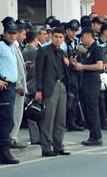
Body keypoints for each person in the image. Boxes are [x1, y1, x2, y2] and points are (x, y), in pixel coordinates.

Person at [35, 27, 70, 157]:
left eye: (61, 37)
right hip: (49, 87)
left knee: (61, 119)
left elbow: (66, 72)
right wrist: (39, 90)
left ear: (63, 38)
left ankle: (58, 146)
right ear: (51, 36)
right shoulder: (43, 51)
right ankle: (46, 147)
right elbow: (38, 72)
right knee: (47, 119)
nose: (58, 39)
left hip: (62, 87)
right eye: (56, 36)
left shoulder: (63, 52)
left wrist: (69, 63)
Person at [0, 22, 20, 164]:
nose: (12, 35)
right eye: (10, 33)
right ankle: (2, 153)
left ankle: (2, 153)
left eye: (14, 33)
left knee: (7, 121)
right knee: (5, 121)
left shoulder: (11, 46)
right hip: (3, 87)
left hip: (11, 87)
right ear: (4, 33)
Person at [73, 28, 104, 146]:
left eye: (82, 36)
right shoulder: (89, 50)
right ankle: (93, 135)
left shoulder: (96, 49)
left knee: (92, 109)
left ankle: (96, 136)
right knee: (88, 109)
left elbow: (99, 66)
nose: (81, 39)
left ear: (88, 35)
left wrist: (83, 67)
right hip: (86, 82)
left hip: (92, 82)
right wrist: (77, 65)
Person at [9, 24, 28, 149]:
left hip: (20, 83)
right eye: (23, 34)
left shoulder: (17, 46)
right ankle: (12, 138)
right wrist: (18, 85)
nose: (24, 36)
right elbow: (13, 67)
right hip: (17, 85)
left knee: (18, 112)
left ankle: (13, 137)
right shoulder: (12, 46)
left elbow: (19, 66)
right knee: (16, 112)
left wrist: (26, 65)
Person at [22, 30, 41, 145]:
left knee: (31, 112)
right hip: (35, 84)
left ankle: (34, 137)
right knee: (38, 111)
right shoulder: (36, 51)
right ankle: (38, 137)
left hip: (27, 84)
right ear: (35, 39)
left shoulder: (24, 50)